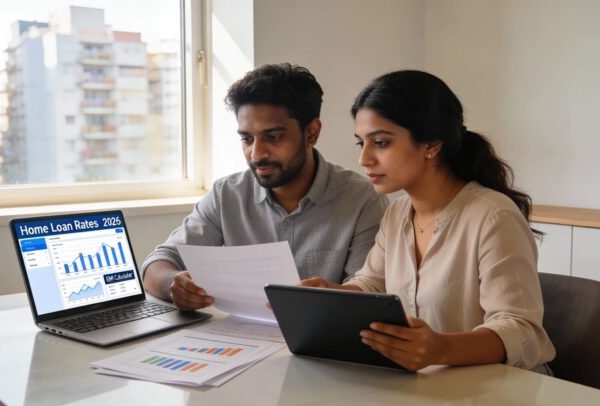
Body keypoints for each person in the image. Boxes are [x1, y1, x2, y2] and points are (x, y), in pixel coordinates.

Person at [302, 70, 555, 372]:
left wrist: (441, 348)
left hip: (498, 397)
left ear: (431, 145)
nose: (364, 159)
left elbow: (522, 331)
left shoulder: (493, 215)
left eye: (380, 143)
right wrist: (330, 295)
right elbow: (373, 283)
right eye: (362, 144)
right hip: (431, 392)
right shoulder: (397, 212)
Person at [142, 63, 389, 310]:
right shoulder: (226, 195)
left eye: (273, 137)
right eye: (247, 139)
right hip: (239, 340)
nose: (256, 153)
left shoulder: (361, 200)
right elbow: (160, 261)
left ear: (312, 133)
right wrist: (172, 284)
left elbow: (368, 292)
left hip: (321, 344)